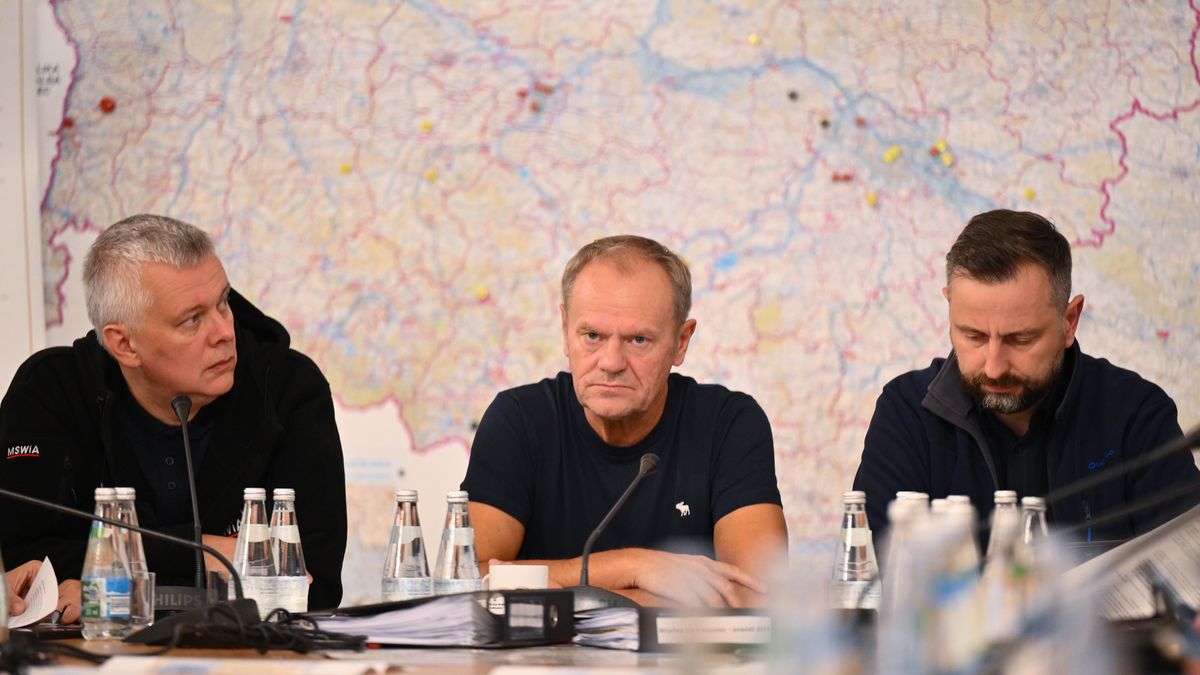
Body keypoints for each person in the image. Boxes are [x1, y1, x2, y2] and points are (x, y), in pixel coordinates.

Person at [0, 214, 347, 612]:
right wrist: (202, 552)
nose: (223, 332)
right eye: (192, 320)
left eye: (223, 304)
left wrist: (120, 594)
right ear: (124, 344)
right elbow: (21, 567)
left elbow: (310, 587)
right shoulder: (51, 391)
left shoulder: (288, 389)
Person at [462, 235, 788, 607]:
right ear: (566, 329)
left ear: (681, 342)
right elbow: (471, 581)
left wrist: (561, 590)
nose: (611, 362)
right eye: (593, 336)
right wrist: (633, 566)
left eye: (638, 340)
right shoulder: (518, 420)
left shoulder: (729, 424)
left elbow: (758, 592)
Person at [853, 209, 1200, 542]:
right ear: (949, 308)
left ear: (1069, 320)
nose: (994, 367)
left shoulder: (1136, 414)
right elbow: (877, 579)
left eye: (1020, 339)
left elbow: (1186, 577)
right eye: (973, 336)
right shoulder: (907, 413)